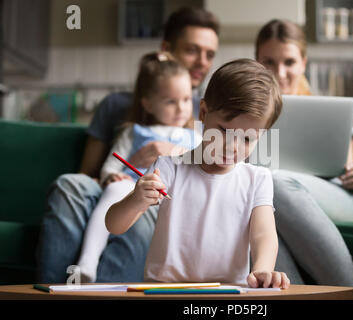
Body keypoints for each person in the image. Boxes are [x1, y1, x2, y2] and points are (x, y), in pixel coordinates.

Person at [36, 7, 219, 283]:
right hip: (116, 184)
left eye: (209, 55)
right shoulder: (117, 107)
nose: (202, 62)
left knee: (142, 207)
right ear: (166, 48)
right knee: (69, 184)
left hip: (164, 195)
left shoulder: (204, 113)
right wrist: (126, 167)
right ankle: (56, 287)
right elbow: (89, 173)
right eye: (193, 50)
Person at [105, 59, 290, 288]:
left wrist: (263, 268)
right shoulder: (169, 168)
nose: (233, 146)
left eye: (247, 138)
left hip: (230, 291)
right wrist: (136, 199)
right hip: (164, 289)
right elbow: (114, 224)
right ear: (203, 112)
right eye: (224, 130)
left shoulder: (257, 179)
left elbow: (263, 234)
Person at [255, 19, 353, 299]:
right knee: (260, 215)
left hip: (338, 200)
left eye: (289, 62)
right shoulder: (245, 116)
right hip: (270, 205)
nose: (279, 73)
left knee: (271, 182)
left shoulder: (329, 111)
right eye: (268, 62)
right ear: (256, 62)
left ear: (303, 63)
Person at [77, 52, 202, 282]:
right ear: (148, 104)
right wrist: (112, 176)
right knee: (115, 191)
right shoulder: (133, 132)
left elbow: (203, 167)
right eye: (170, 101)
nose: (181, 108)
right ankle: (87, 263)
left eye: (186, 100)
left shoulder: (194, 137)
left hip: (172, 195)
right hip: (133, 190)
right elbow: (112, 165)